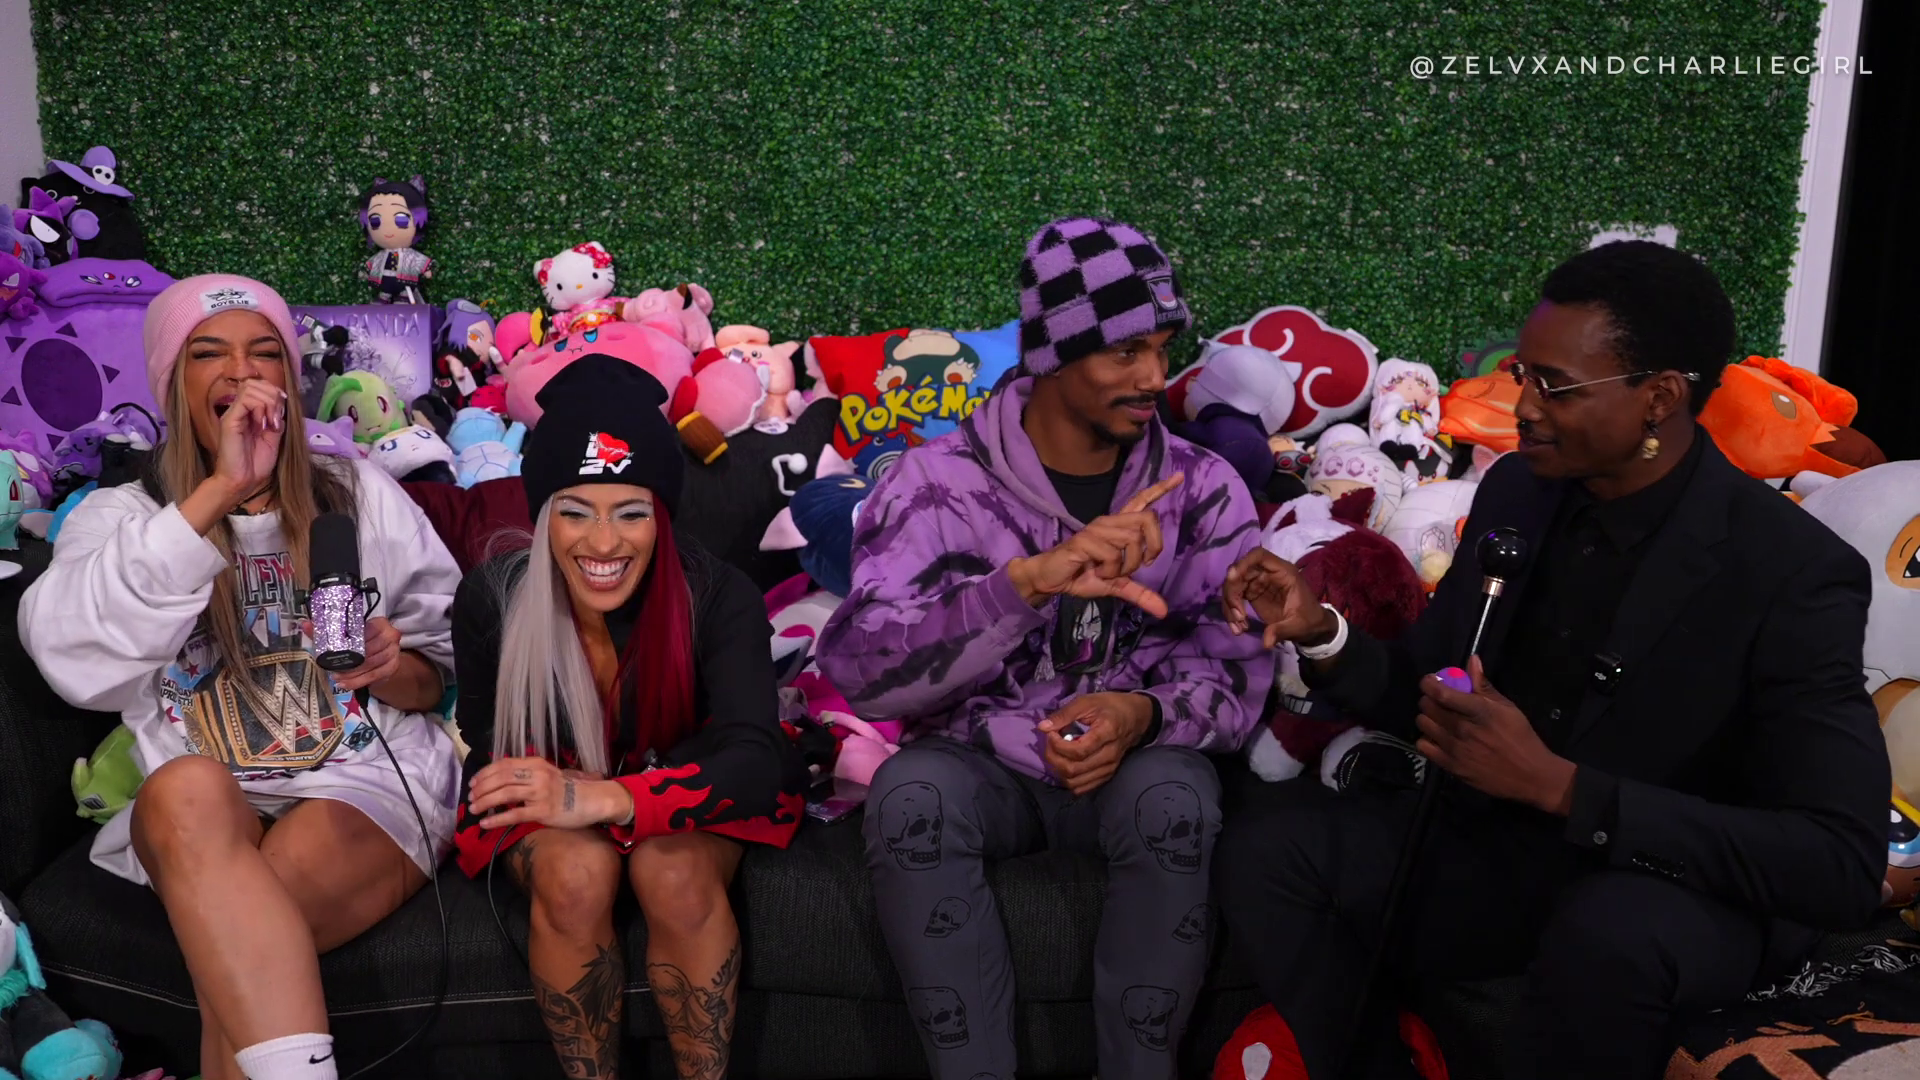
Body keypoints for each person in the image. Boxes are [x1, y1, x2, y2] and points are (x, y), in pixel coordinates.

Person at [1215, 240, 1888, 1079]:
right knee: (1271, 853)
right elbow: (1433, 686)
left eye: (1555, 387)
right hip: (1512, 855)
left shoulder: (1791, 568)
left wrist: (1563, 788)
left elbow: (1839, 863)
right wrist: (1321, 632)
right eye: (1523, 375)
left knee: (1608, 933)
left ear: (1660, 398)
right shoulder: (1519, 493)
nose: (1524, 408)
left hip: (1678, 888)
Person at [816, 217, 1273, 1079]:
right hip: (980, 764)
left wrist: (1141, 714)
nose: (1155, 378)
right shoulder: (933, 483)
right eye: (1126, 352)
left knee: (1175, 796)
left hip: (1135, 764)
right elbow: (862, 671)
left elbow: (1236, 672)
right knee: (912, 794)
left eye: (1162, 349)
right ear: (1053, 354)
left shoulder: (1203, 488)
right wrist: (1020, 587)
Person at [18, 275, 464, 1080]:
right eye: (208, 353)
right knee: (184, 791)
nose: (241, 370)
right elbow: (70, 659)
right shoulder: (121, 517)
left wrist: (390, 667)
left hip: (358, 778)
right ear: (170, 382)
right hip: (205, 801)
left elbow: (444, 675)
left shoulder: (360, 494)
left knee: (244, 943)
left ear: (290, 378)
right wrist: (219, 489)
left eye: (265, 352)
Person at [449, 352, 807, 1080]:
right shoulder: (491, 597)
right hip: (550, 789)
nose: (604, 543)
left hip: (693, 781)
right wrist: (564, 795)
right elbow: (489, 742)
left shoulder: (719, 594)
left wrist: (609, 797)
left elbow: (754, 757)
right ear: (544, 516)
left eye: (631, 513)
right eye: (575, 513)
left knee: (671, 870)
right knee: (575, 875)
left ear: (662, 516)